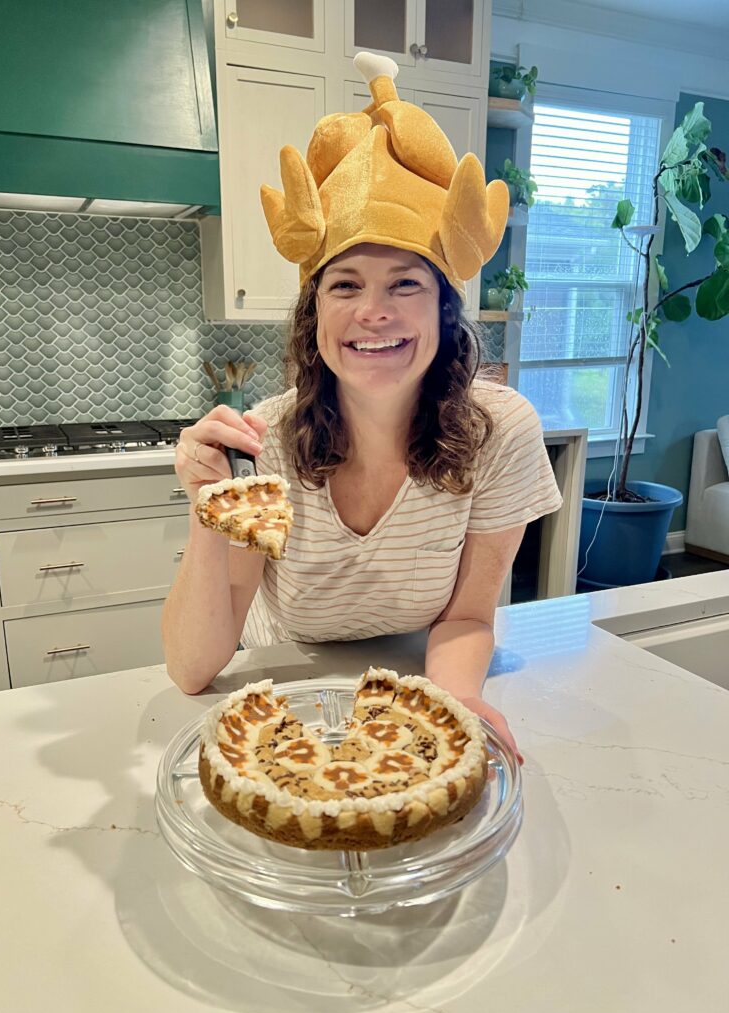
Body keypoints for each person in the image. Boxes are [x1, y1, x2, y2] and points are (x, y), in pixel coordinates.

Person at [162, 53, 562, 760]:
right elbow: (195, 668)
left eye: (405, 284)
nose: (373, 312)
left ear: (443, 309)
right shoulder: (266, 443)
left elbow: (468, 615)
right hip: (288, 700)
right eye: (345, 285)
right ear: (314, 313)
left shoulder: (502, 432)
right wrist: (208, 511)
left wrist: (458, 703)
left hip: (419, 687)